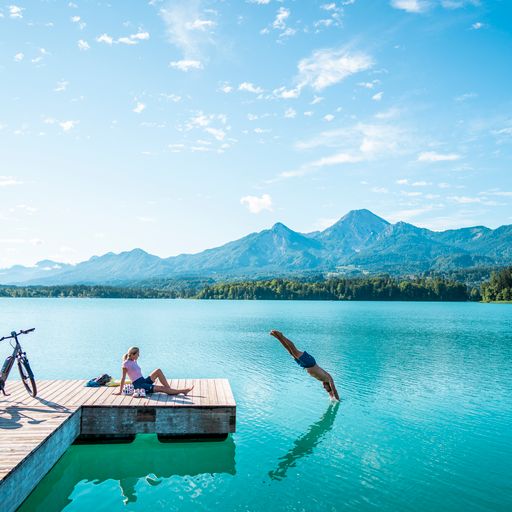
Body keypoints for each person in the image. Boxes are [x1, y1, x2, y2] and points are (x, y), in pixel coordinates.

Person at [270, 330, 339, 401]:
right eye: (325, 387)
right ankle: (281, 335)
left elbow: (330, 393)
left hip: (305, 365)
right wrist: (337, 399)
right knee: (295, 351)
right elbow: (334, 390)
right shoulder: (329, 378)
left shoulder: (324, 381)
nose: (324, 387)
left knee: (290, 352)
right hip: (310, 362)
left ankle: (278, 337)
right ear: (329, 386)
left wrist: (332, 397)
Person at [114, 346, 193, 396]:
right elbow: (123, 378)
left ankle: (169, 389)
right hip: (139, 385)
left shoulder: (134, 361)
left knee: (158, 370)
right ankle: (183, 391)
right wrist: (120, 391)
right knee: (162, 388)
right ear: (133, 354)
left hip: (143, 381)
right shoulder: (125, 364)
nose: (139, 355)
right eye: (138, 354)